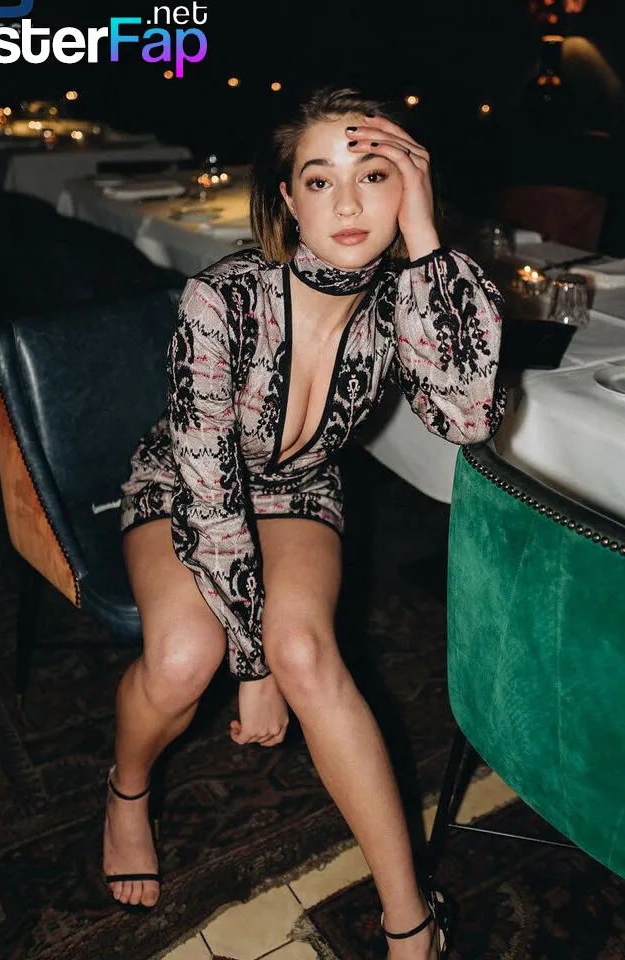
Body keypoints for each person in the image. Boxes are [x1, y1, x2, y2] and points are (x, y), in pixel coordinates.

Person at [103, 86, 505, 959]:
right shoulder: (223, 295)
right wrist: (249, 665)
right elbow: (210, 480)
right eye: (321, 181)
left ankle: (409, 920)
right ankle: (127, 788)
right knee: (184, 659)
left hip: (302, 487)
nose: (350, 204)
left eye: (376, 176)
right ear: (288, 198)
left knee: (307, 653)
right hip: (186, 482)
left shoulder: (407, 297)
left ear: (410, 185)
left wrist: (426, 237)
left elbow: (467, 414)